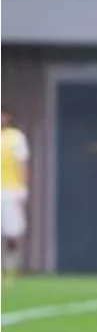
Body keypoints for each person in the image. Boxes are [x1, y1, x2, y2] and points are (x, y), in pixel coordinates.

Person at [0, 106, 31, 288]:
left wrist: (23, 189)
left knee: (12, 232)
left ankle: (10, 269)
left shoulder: (16, 138)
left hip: (11, 190)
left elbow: (22, 164)